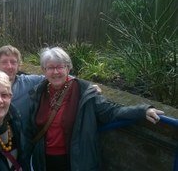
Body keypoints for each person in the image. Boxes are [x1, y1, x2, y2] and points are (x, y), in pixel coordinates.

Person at [25, 47, 165, 171]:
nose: (55, 72)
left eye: (60, 67)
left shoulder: (83, 91)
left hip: (75, 161)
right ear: (44, 70)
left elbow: (110, 111)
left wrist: (142, 111)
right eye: (50, 68)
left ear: (68, 68)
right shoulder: (39, 93)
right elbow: (30, 130)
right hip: (43, 160)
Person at [0, 45, 102, 128]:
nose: (9, 66)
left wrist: (86, 86)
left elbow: (56, 75)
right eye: (4, 62)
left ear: (19, 65)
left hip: (22, 144)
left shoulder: (28, 82)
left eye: (13, 62)